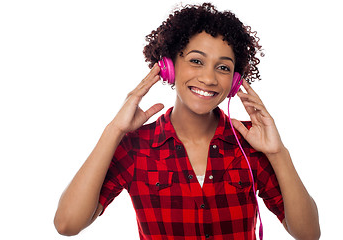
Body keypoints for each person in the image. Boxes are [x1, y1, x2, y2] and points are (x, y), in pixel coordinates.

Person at [54, 3, 320, 239]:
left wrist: (278, 153)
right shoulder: (136, 145)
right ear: (169, 67)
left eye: (223, 67)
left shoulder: (251, 142)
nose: (209, 78)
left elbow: (308, 234)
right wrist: (114, 130)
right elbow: (67, 224)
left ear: (235, 80)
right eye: (196, 61)